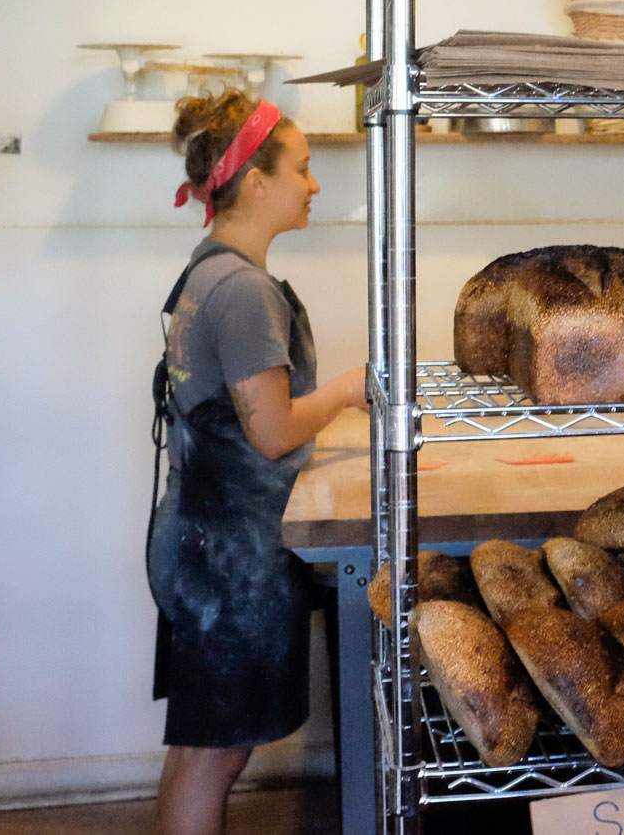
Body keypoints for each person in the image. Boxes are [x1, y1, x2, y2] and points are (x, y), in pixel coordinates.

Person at [147, 92, 368, 835]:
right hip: (229, 561)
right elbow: (271, 430)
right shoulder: (242, 289)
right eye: (302, 169)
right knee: (213, 755)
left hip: (202, 543)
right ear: (256, 181)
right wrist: (345, 389)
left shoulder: (207, 272)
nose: (312, 184)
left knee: (202, 750)